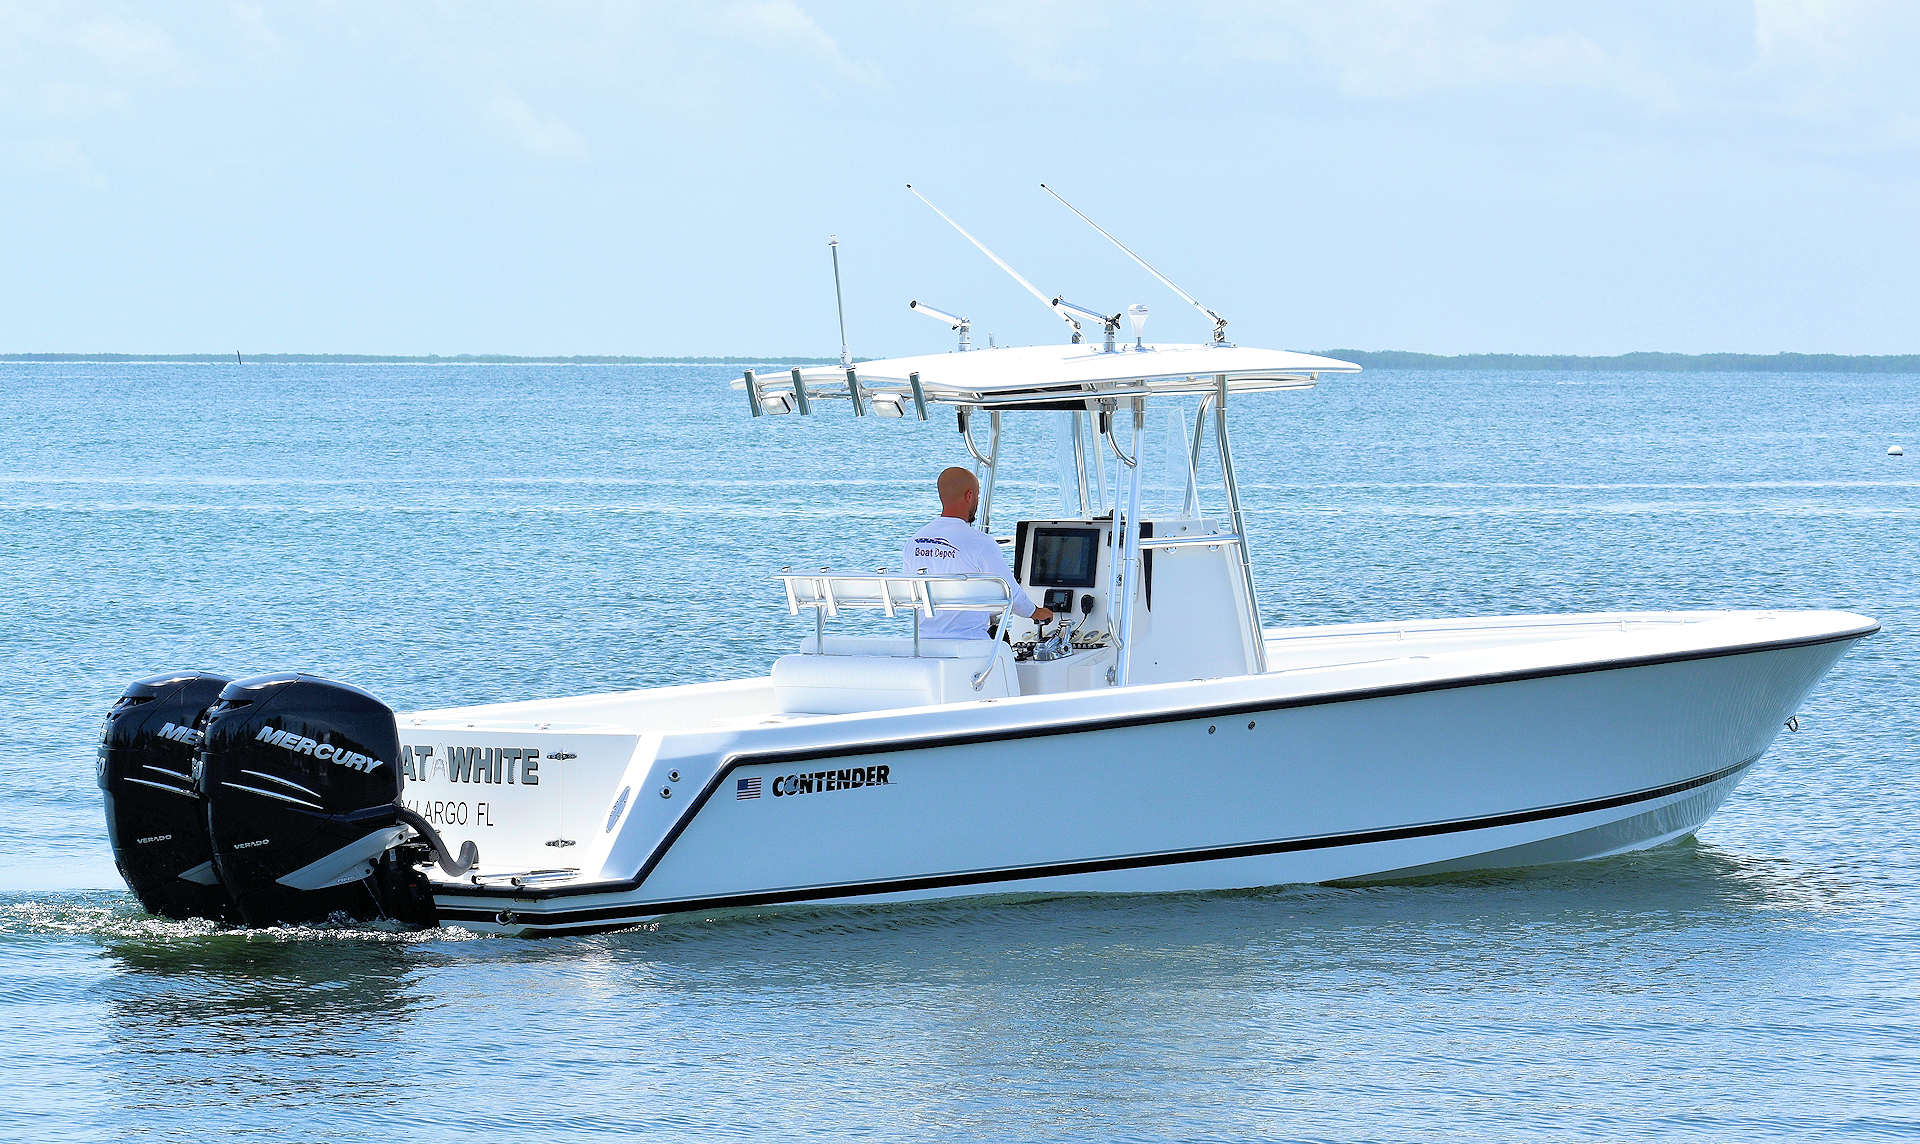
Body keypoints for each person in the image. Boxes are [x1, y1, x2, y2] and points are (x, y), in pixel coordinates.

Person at [902, 466, 1054, 640]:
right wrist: (1035, 612)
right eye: (978, 495)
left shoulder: (913, 542)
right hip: (970, 646)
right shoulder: (980, 542)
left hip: (924, 644)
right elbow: (1008, 591)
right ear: (969, 496)